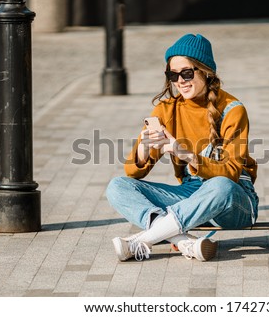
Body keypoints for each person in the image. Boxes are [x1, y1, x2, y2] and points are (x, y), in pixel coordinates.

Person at [106, 33, 258, 262]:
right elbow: (132, 172)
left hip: (234, 201)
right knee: (117, 186)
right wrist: (144, 149)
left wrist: (184, 153)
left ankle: (141, 241)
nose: (180, 81)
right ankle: (184, 242)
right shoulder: (166, 109)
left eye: (187, 73)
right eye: (172, 75)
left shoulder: (232, 109)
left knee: (220, 186)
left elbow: (231, 173)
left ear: (205, 71)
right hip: (190, 198)